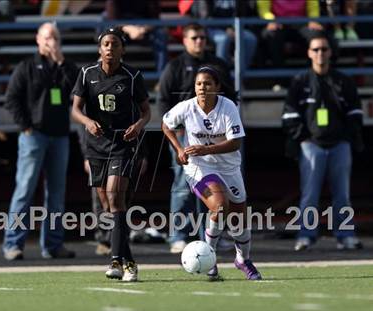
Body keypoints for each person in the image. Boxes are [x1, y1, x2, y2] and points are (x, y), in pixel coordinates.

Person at [162, 66, 262, 281]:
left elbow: (235, 143)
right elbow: (165, 124)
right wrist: (179, 149)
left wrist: (206, 148)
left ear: (217, 87)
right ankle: (210, 260)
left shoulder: (228, 107)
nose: (202, 88)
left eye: (207, 83)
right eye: (198, 84)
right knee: (219, 205)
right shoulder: (187, 107)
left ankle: (242, 260)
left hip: (229, 167)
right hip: (199, 166)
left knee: (238, 220)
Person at [71, 27, 151, 282]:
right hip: (96, 145)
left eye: (115, 44)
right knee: (108, 206)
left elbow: (146, 111)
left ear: (122, 49)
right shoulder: (86, 74)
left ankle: (116, 261)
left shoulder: (132, 76)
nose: (110, 48)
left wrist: (138, 125)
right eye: (106, 43)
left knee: (116, 199)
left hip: (121, 144)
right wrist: (87, 121)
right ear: (99, 48)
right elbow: (75, 109)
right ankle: (130, 262)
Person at [158, 22, 237, 254]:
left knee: (215, 185)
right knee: (183, 186)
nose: (199, 41)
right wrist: (178, 133)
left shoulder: (218, 66)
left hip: (215, 136)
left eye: (202, 37)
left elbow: (232, 98)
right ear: (184, 40)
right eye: (194, 38)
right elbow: (163, 101)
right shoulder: (175, 66)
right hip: (185, 136)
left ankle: (211, 235)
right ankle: (178, 236)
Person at [282, 32, 364, 251]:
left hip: (340, 145)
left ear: (331, 52)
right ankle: (306, 236)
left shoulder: (343, 81)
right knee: (309, 194)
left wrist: (346, 137)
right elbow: (289, 115)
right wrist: (303, 138)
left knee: (342, 195)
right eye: (316, 49)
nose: (320, 53)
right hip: (311, 146)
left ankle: (345, 236)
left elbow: (356, 113)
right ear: (309, 53)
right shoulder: (300, 81)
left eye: (324, 49)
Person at [3, 22, 78, 260]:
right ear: (38, 39)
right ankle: (13, 244)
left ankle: (53, 245)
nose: (51, 42)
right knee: (24, 190)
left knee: (56, 193)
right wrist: (25, 126)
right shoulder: (26, 67)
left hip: (60, 136)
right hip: (34, 135)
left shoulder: (65, 67)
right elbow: (12, 98)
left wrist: (61, 62)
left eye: (55, 37)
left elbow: (77, 92)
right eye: (47, 38)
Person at [75, 124, 112, 256]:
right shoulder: (88, 105)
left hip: (120, 149)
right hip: (96, 151)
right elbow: (81, 122)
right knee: (100, 197)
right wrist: (87, 156)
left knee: (120, 194)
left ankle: (119, 237)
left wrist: (143, 153)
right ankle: (104, 240)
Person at [257, 0, 324, 68]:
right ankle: (279, 73)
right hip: (278, 23)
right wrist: (271, 20)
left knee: (316, 34)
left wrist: (313, 20)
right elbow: (264, 10)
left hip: (302, 23)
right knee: (271, 34)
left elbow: (313, 8)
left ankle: (311, 73)